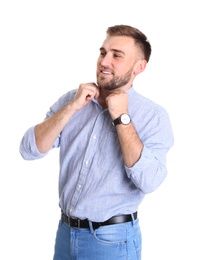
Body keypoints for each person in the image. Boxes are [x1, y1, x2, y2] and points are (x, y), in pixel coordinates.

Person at [19, 24, 174, 260]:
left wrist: (122, 118)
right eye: (103, 52)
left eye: (117, 55)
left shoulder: (153, 116)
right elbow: (29, 150)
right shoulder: (73, 100)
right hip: (65, 233)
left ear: (139, 67)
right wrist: (72, 107)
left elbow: (150, 181)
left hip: (112, 241)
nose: (104, 61)